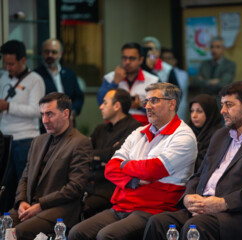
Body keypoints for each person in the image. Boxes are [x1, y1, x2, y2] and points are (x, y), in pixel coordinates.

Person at [143, 81, 242, 240]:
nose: (222, 111)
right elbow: (199, 175)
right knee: (157, 222)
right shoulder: (220, 136)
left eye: (229, 105)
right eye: (222, 105)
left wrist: (224, 203)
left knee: (195, 228)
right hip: (205, 209)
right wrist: (188, 197)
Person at [69, 83, 197, 240]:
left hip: (154, 209)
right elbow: (110, 168)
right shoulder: (138, 132)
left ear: (172, 104)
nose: (148, 106)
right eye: (146, 101)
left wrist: (125, 165)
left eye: (154, 101)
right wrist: (133, 180)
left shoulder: (183, 136)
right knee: (77, 232)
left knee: (106, 236)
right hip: (122, 205)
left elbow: (153, 170)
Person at [8, 92, 92, 240]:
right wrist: (21, 201)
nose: (45, 120)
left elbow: (76, 187)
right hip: (30, 206)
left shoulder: (80, 142)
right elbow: (25, 177)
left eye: (50, 114)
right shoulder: (38, 141)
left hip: (59, 209)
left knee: (20, 231)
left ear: (66, 114)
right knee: (4, 224)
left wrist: (41, 205)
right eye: (42, 115)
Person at [0, 40, 45, 211]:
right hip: (4, 138)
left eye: (11, 63)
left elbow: (36, 110)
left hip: (25, 139)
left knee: (24, 185)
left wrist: (8, 107)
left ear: (23, 61)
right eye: (5, 63)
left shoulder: (35, 80)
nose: (8, 67)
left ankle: (24, 222)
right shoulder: (3, 77)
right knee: (5, 186)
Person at [84, 88, 142, 218]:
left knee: (80, 210)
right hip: (91, 185)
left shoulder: (135, 128)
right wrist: (103, 155)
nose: (100, 106)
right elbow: (84, 154)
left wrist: (102, 155)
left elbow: (115, 156)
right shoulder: (100, 129)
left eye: (105, 103)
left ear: (117, 106)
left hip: (112, 189)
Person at [97, 42, 159, 125]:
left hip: (143, 126)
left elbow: (159, 108)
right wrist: (115, 83)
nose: (127, 62)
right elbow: (101, 102)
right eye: (124, 58)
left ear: (141, 60)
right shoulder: (110, 78)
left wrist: (140, 106)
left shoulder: (152, 80)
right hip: (114, 126)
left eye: (132, 58)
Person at [35, 38, 84, 116]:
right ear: (42, 53)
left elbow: (78, 98)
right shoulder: (36, 75)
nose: (50, 55)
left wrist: (72, 112)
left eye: (54, 52)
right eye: (47, 52)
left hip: (68, 120)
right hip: (46, 122)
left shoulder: (69, 74)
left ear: (60, 54)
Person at [188, 94, 222, 171]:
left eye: (199, 111)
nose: (194, 115)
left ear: (209, 113)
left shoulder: (218, 136)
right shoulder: (186, 131)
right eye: (192, 111)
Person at [161, 48, 189, 120]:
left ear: (175, 60)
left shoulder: (182, 74)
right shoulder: (159, 73)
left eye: (169, 58)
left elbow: (176, 90)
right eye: (164, 58)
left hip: (179, 108)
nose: (166, 61)